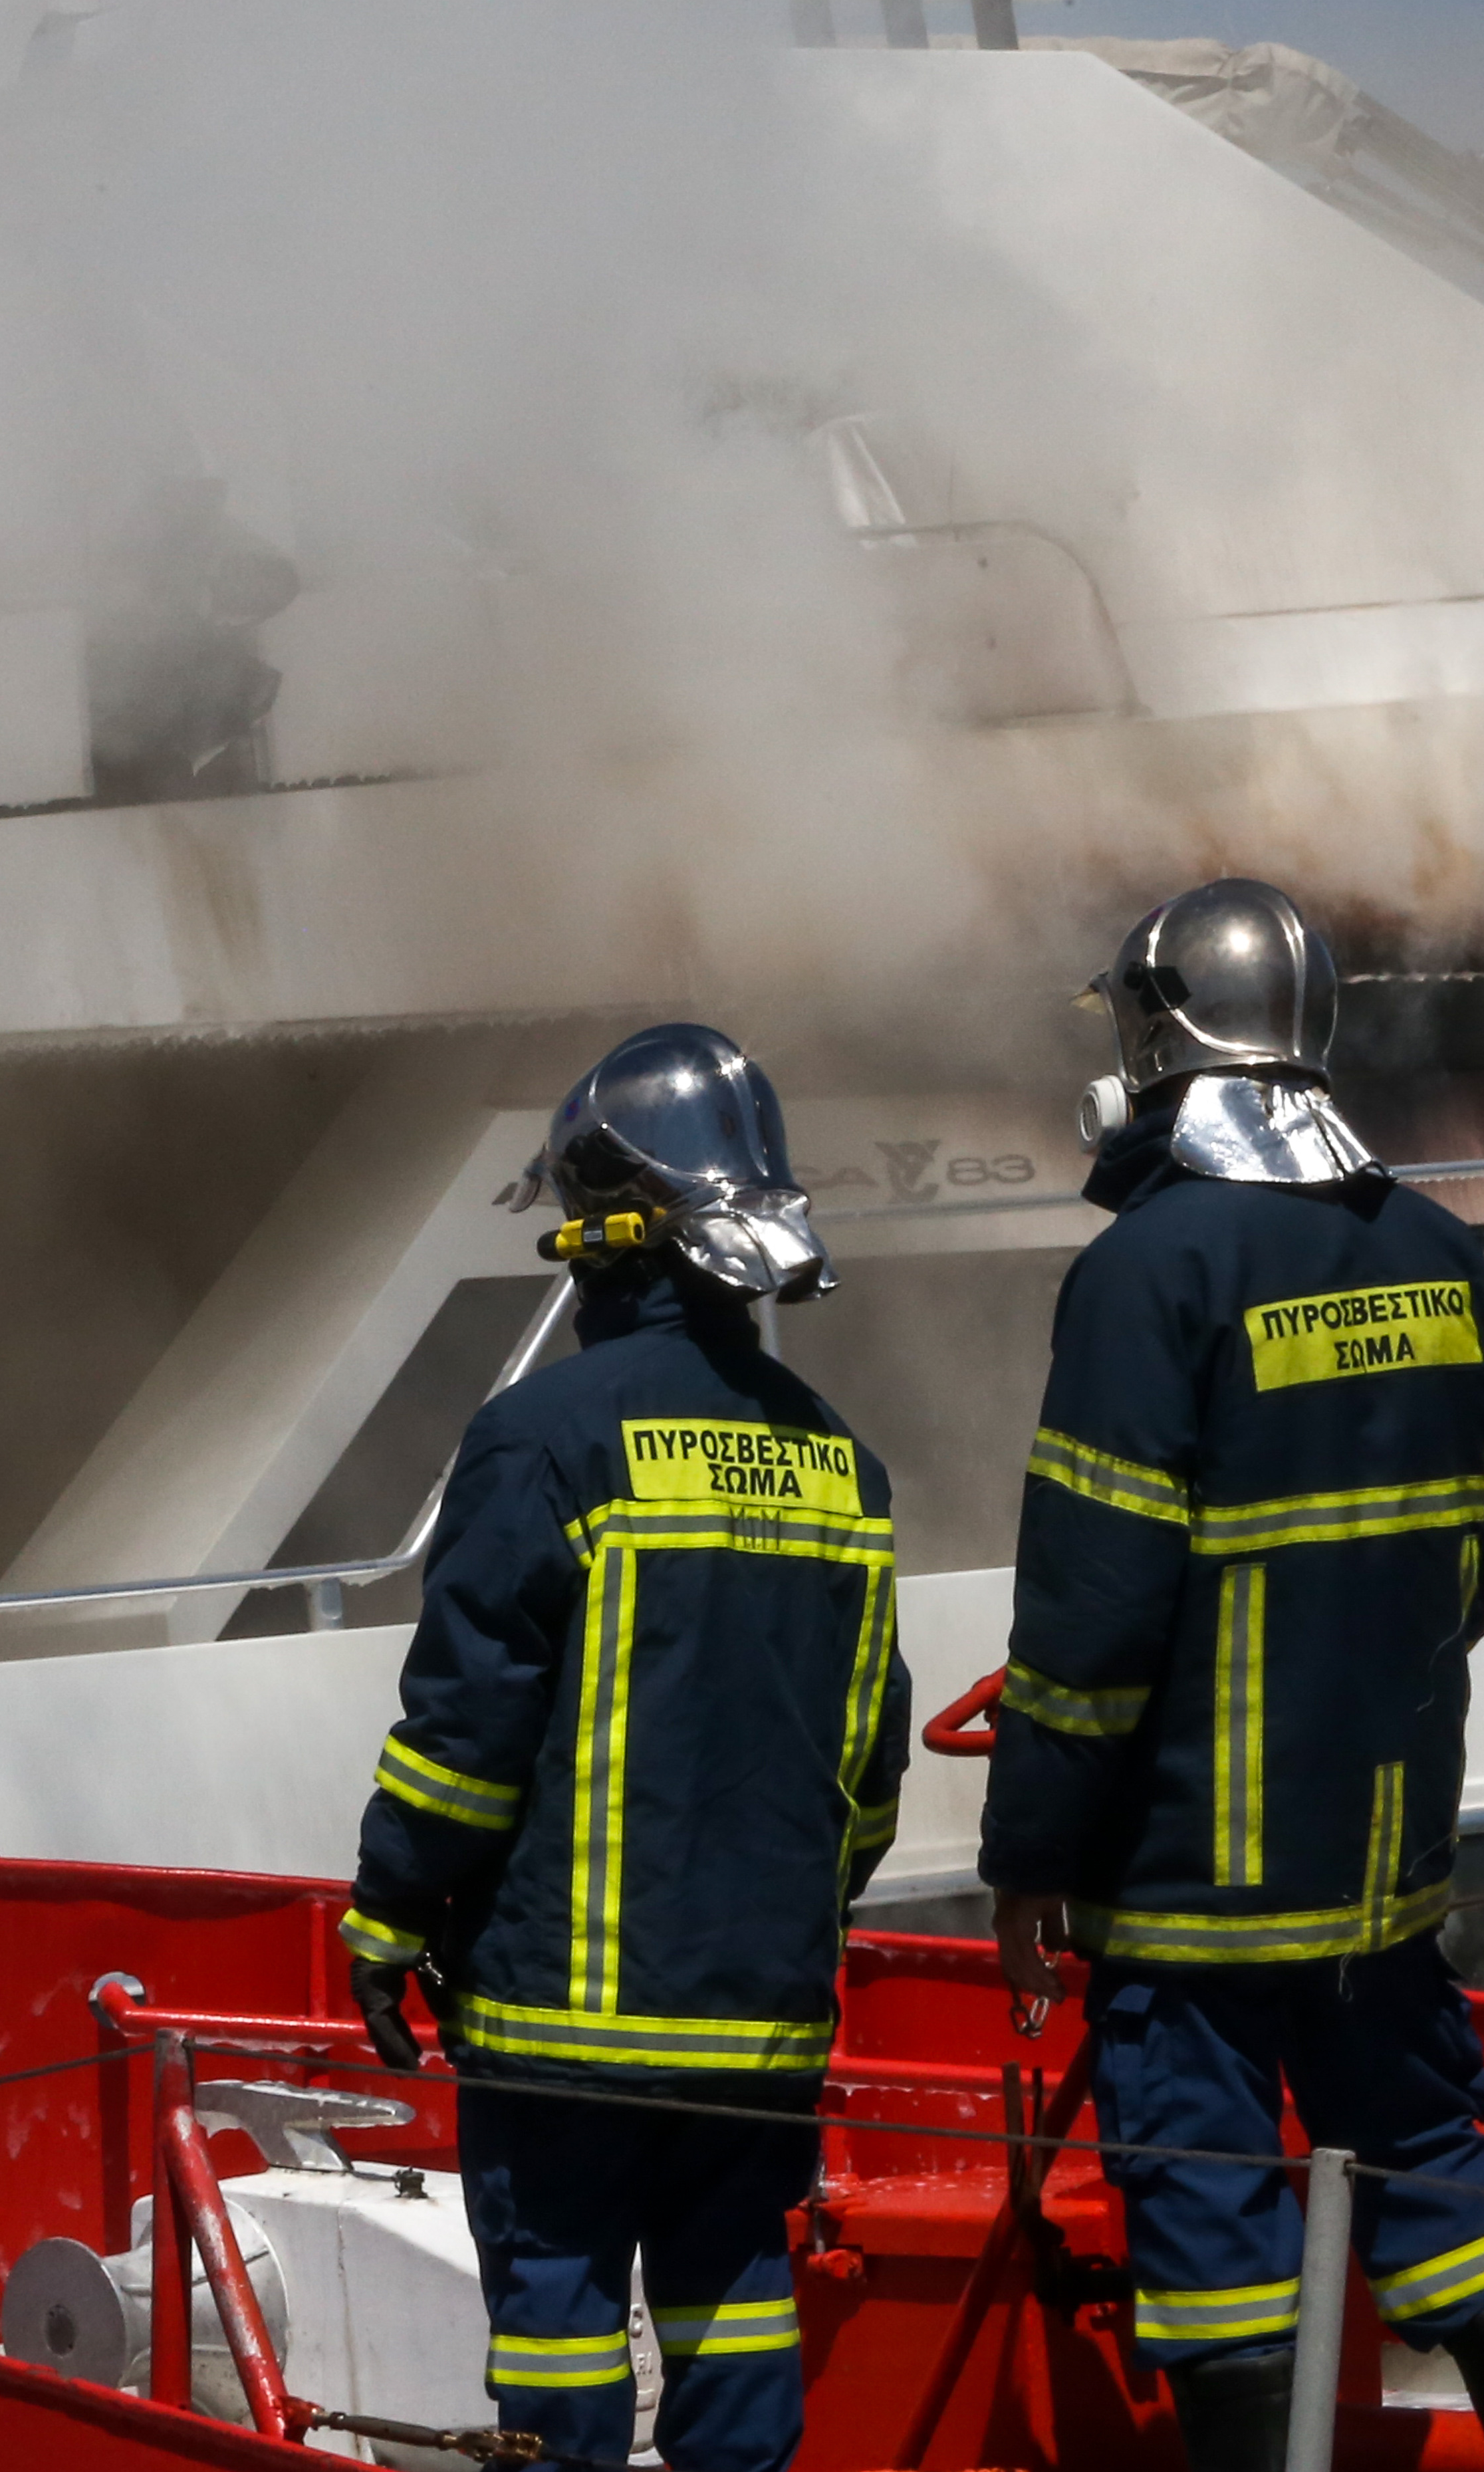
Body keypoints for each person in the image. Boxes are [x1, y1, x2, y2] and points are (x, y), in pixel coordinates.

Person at [979, 880, 1484, 2472]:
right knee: (1434, 2150)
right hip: (1381, 1863)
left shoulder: (1148, 1273)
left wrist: (1032, 1853)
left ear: (1163, 1036)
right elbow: (1479, 1556)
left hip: (1193, 1877)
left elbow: (1094, 1622)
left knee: (1206, 2200)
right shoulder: (1438, 1252)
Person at [344, 1023, 911, 2472]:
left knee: (562, 2317)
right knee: (736, 2299)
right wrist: (794, 1918)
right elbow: (871, 1762)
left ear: (610, 1240)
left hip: (567, 2029)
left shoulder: (545, 1435)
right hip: (763, 2012)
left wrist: (392, 1912)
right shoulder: (837, 1455)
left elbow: (468, 1728)